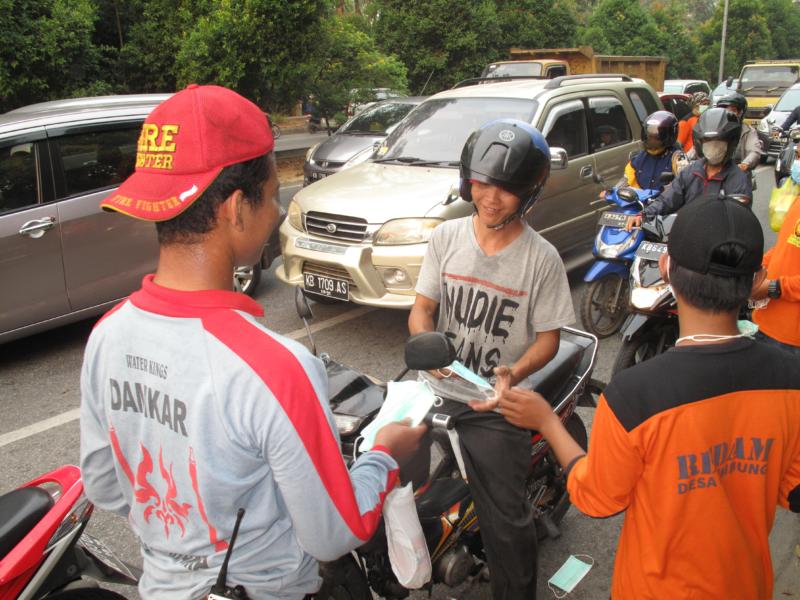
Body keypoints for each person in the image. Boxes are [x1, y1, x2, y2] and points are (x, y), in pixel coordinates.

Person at [80, 84, 425, 600]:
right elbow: (333, 532)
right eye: (271, 198)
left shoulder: (107, 335)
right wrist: (382, 456)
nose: (277, 214)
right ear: (237, 208)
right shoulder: (274, 367)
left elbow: (106, 485)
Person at [495, 196, 800, 599]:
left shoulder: (635, 395)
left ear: (666, 268)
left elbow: (597, 498)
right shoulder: (791, 379)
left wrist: (548, 421)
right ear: (756, 278)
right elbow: (791, 492)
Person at [408, 119, 575, 599]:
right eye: (483, 183)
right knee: (378, 466)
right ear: (468, 180)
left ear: (529, 193)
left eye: (507, 188)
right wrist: (427, 350)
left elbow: (548, 339)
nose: (491, 197)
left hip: (493, 399)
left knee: (506, 519)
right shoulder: (446, 238)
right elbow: (422, 310)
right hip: (435, 385)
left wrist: (513, 373)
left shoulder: (540, 259)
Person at [626, 107, 752, 230]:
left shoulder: (738, 180)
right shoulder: (690, 171)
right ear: (700, 143)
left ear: (730, 144)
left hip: (717, 242)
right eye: (708, 142)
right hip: (685, 234)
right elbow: (668, 199)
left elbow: (737, 220)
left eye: (719, 143)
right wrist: (643, 214)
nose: (713, 148)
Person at [750, 144, 800, 354]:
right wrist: (756, 268)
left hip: (792, 341)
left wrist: (774, 288)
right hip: (768, 325)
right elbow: (784, 248)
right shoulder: (798, 201)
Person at [614, 110, 681, 192]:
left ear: (668, 136)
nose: (651, 140)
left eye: (656, 137)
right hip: (642, 203)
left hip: (666, 203)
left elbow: (682, 185)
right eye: (649, 136)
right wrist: (614, 191)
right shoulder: (640, 157)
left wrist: (664, 193)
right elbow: (627, 178)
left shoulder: (677, 158)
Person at [714, 92, 763, 174]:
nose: (728, 113)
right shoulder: (713, 129)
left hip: (737, 175)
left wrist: (745, 164)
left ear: (740, 112)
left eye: (733, 110)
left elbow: (754, 151)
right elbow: (698, 146)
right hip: (713, 173)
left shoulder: (748, 131)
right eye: (723, 110)